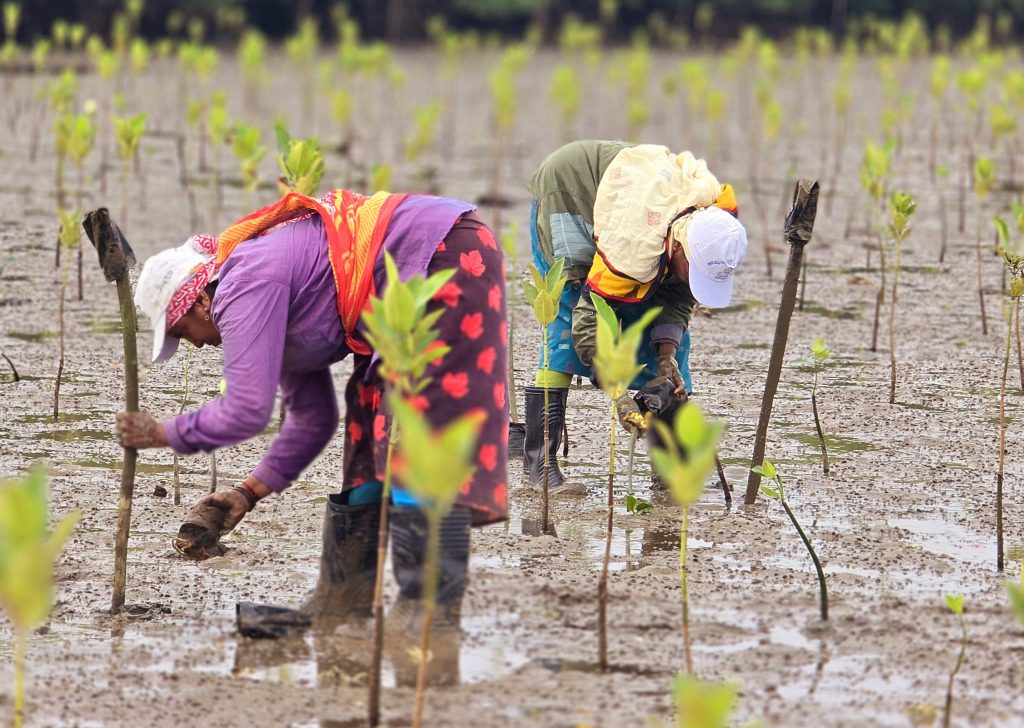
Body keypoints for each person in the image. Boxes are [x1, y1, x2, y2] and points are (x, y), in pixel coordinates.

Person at [115, 188, 509, 628]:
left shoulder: (243, 286)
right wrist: (248, 493)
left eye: (181, 331)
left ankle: (427, 611)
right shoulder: (262, 302)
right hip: (420, 259)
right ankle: (343, 602)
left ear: (200, 301)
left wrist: (164, 434)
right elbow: (313, 419)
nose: (195, 344)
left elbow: (246, 409)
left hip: (442, 251)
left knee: (414, 424)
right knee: (369, 418)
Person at [525, 140, 747, 492]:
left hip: (638, 203)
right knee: (566, 317)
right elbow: (588, 322)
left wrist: (666, 354)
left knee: (662, 332)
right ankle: (541, 467)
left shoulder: (715, 229)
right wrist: (617, 393)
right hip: (571, 193)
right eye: (693, 270)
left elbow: (679, 293)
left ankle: (670, 468)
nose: (693, 279)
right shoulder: (634, 246)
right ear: (677, 247)